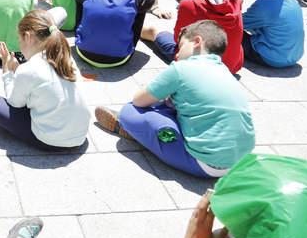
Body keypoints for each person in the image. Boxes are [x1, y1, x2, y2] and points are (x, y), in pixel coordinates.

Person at [97, 19, 254, 177]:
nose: (177, 53)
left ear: (197, 41)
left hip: (203, 164)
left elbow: (138, 100)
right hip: (239, 161)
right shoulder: (225, 72)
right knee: (173, 105)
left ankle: (131, 130)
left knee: (129, 112)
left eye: (181, 46)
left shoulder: (181, 68)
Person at [0, 7, 89, 152]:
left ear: (28, 37)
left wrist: (7, 72)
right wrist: (18, 71)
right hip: (80, 137)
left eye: (19, 40)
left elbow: (14, 103)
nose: (19, 47)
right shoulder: (65, 56)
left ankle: (0, 122)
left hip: (50, 141)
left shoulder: (29, 69)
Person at [144, 0, 244, 73]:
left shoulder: (190, 4)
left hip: (201, 68)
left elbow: (178, 39)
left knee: (153, 31)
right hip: (231, 65)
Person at [242, 0, 304, 68]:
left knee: (229, 32)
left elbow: (237, 23)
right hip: (294, 56)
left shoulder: (263, 6)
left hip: (272, 58)